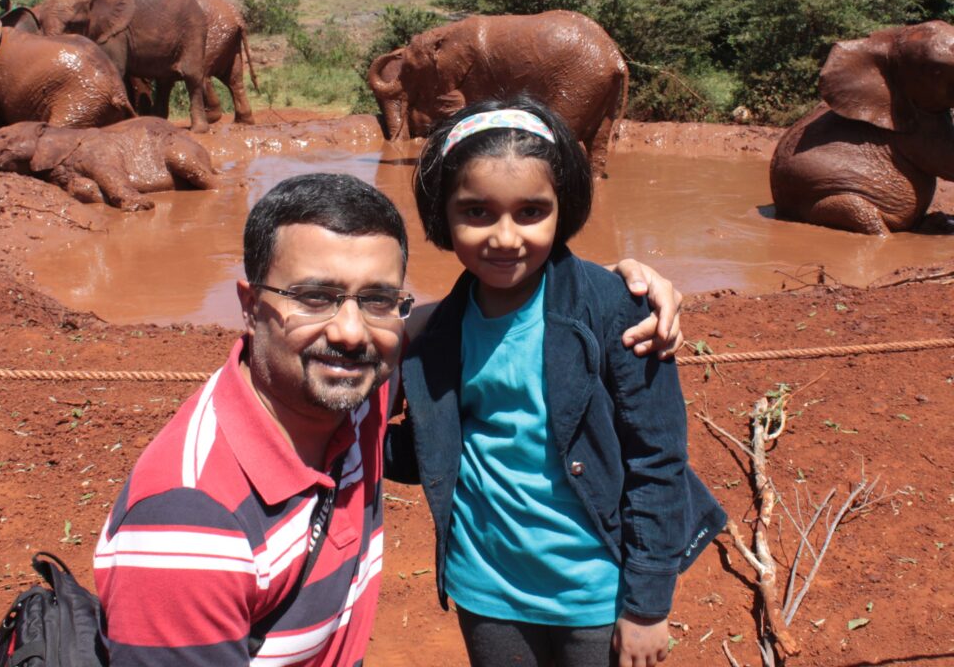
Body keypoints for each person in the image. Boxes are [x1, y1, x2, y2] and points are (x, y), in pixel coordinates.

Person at [94, 171, 683, 667]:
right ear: (250, 307)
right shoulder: (190, 523)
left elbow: (463, 317)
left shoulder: (354, 400)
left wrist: (608, 289)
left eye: (376, 299)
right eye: (315, 296)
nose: (350, 333)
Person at [386, 96, 727, 667]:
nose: (505, 237)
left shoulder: (617, 310)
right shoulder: (439, 329)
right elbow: (434, 444)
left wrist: (646, 606)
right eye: (476, 212)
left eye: (530, 212)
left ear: (561, 208)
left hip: (595, 589)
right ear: (441, 214)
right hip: (485, 586)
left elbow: (656, 460)